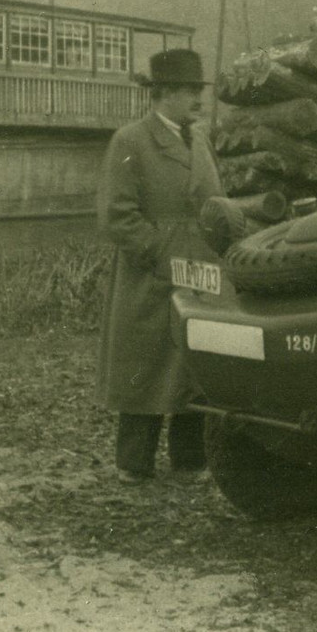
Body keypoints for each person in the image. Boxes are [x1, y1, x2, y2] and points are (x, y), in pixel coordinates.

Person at [96, 49, 225, 485]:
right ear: (165, 93)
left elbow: (214, 202)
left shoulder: (200, 140)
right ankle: (134, 463)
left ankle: (190, 460)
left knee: (195, 359)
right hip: (152, 271)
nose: (198, 99)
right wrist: (159, 254)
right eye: (191, 91)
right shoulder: (131, 141)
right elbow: (117, 216)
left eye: (198, 90)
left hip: (202, 266)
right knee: (145, 362)